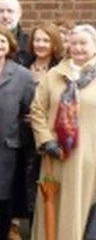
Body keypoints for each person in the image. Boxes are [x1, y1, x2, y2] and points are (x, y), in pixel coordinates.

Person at [29, 24, 96, 240]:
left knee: (82, 211)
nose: (78, 48)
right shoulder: (54, 75)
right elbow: (37, 110)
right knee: (52, 211)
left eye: (83, 43)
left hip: (89, 160)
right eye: (74, 42)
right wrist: (46, 141)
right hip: (55, 156)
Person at [0, 26, 34, 240]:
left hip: (6, 150)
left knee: (1, 203)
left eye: (2, 41)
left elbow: (31, 113)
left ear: (10, 45)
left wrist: (16, 134)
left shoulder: (22, 75)